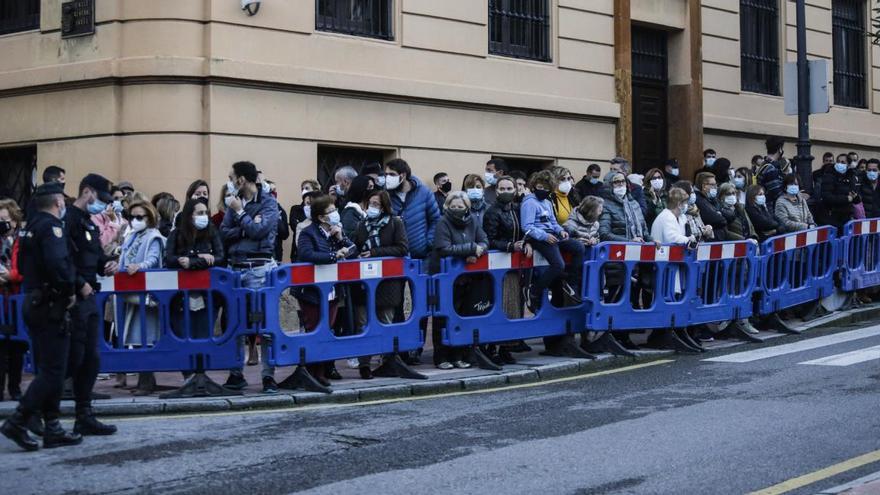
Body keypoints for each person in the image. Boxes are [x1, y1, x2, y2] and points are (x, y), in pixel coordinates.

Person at [0, 183, 80, 451]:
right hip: (50, 304)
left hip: (34, 301)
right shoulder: (52, 228)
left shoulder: (29, 228)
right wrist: (69, 290)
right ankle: (19, 420)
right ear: (58, 202)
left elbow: (21, 266)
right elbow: (59, 264)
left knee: (49, 367)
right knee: (53, 371)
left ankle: (52, 426)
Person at [59, 174, 120, 436]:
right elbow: (60, 259)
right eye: (100, 198)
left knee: (90, 360)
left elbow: (94, 256)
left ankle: (84, 414)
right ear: (87, 192)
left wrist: (108, 263)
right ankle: (31, 413)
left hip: (90, 297)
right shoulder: (68, 220)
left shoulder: (89, 223)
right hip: (74, 299)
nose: (102, 204)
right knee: (72, 360)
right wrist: (77, 283)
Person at [221, 161, 280, 393]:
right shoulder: (233, 202)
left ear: (241, 180)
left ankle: (268, 376)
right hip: (236, 268)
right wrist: (246, 226)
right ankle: (236, 375)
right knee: (236, 323)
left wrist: (239, 213)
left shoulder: (268, 203)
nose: (229, 181)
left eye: (231, 177)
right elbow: (224, 233)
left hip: (259, 269)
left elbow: (261, 231)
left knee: (264, 326)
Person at [295, 195, 357, 385]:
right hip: (312, 292)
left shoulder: (336, 231)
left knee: (327, 329)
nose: (335, 214)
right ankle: (312, 372)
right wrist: (333, 255)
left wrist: (340, 238)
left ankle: (321, 370)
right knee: (314, 329)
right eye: (331, 211)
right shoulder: (308, 233)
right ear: (321, 217)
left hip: (333, 290)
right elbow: (306, 254)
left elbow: (353, 249)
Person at [352, 190, 409, 379]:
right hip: (364, 282)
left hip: (387, 283)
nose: (372, 208)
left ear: (385, 207)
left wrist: (375, 253)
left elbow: (402, 248)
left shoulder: (395, 223)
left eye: (376, 204)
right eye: (370, 204)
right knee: (363, 325)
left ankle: (387, 361)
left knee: (385, 320)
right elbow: (357, 245)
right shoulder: (362, 224)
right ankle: (364, 364)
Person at [431, 191, 488, 369]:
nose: (456, 209)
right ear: (447, 206)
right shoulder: (442, 222)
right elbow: (443, 248)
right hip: (446, 278)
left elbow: (484, 240)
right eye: (453, 206)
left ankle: (460, 355)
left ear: (467, 208)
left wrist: (478, 251)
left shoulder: (473, 220)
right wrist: (471, 249)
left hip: (467, 278)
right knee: (443, 318)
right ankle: (441, 357)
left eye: (460, 206)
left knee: (463, 316)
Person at [482, 176, 531, 364]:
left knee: (515, 306)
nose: (506, 191)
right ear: (496, 191)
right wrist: (511, 246)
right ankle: (492, 348)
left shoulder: (518, 209)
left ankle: (506, 347)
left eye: (509, 188)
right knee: (502, 305)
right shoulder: (492, 212)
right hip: (499, 266)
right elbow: (490, 240)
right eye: (502, 188)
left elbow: (526, 231)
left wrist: (528, 244)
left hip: (517, 266)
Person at [599, 172, 652, 349]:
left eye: (623, 181)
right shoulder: (605, 205)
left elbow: (643, 230)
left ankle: (625, 335)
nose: (620, 185)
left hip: (637, 260)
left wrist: (652, 240)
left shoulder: (634, 203)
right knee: (617, 297)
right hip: (617, 261)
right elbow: (605, 233)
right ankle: (613, 335)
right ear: (608, 185)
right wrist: (629, 242)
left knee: (631, 297)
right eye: (616, 182)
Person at [117, 200, 164, 395]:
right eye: (132, 217)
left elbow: (153, 259)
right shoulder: (132, 236)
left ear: (150, 217)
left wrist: (139, 267)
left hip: (147, 296)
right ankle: (144, 380)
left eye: (139, 217)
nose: (135, 220)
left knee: (146, 337)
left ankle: (146, 381)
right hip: (131, 294)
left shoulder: (154, 236)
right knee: (135, 338)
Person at [522, 170, 585, 313]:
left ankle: (571, 283)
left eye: (546, 188)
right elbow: (527, 226)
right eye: (540, 187)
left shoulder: (547, 202)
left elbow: (553, 222)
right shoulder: (529, 202)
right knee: (558, 265)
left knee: (578, 247)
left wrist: (560, 230)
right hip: (538, 238)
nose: (543, 190)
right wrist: (544, 236)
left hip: (552, 234)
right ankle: (534, 291)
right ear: (534, 186)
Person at [165, 198, 224, 341]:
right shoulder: (176, 234)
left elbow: (220, 257)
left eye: (205, 212)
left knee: (203, 336)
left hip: (207, 295)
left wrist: (193, 261)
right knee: (183, 336)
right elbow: (169, 259)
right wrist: (199, 257)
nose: (204, 216)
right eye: (200, 212)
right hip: (180, 297)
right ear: (189, 215)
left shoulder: (211, 232)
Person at [385, 158, 441, 260]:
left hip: (422, 256)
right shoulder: (386, 196)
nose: (388, 178)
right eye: (386, 174)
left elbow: (436, 219)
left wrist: (428, 242)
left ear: (403, 175)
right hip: (395, 256)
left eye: (392, 174)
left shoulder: (424, 192)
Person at [0, 199, 26, 402]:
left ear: (15, 221)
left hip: (16, 297)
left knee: (16, 346)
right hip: (1, 299)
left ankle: (15, 387)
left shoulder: (22, 240)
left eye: (5, 220)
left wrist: (10, 276)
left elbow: (23, 269)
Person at [821, 155, 858, 232]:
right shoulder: (829, 176)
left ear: (848, 165)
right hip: (833, 215)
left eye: (843, 162)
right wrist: (846, 199)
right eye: (838, 162)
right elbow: (827, 196)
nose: (839, 164)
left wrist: (856, 197)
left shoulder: (851, 176)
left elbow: (854, 195)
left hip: (847, 215)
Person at [289, 180, 320, 261]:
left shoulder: (320, 210)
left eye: (307, 188)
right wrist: (306, 206)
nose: (304, 191)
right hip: (298, 253)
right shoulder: (296, 209)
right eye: (302, 189)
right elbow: (294, 226)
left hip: (317, 251)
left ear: (315, 190)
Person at [694, 171, 728, 241]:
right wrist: (720, 216)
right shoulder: (699, 200)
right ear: (704, 186)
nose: (715, 187)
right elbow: (719, 220)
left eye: (716, 184)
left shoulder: (711, 200)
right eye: (712, 185)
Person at [757, 136, 788, 207]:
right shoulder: (771, 168)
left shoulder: (763, 164)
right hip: (771, 207)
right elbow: (777, 192)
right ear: (780, 149)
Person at [341, 175, 373, 240]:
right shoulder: (350, 212)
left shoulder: (371, 209)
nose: (373, 190)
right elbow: (350, 237)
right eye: (370, 187)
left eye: (373, 187)